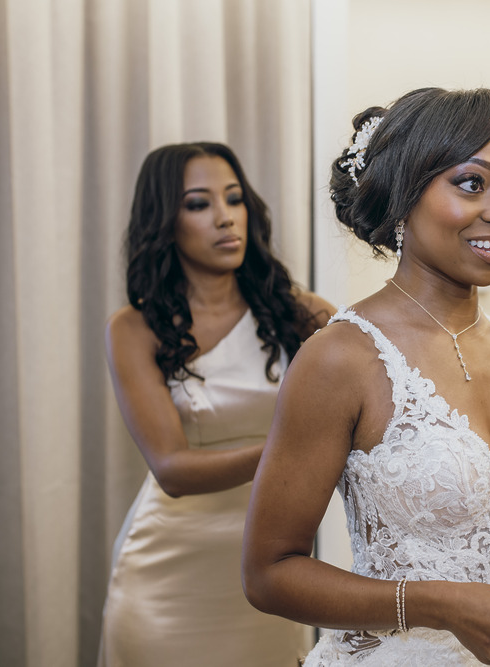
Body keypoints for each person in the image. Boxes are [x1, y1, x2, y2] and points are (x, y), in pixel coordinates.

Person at [242, 87, 490, 667]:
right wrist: (442, 607)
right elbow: (268, 574)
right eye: (472, 183)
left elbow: (483, 521)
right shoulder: (342, 358)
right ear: (402, 195)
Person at [98, 142, 334, 667]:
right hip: (167, 568)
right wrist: (288, 448)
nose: (226, 218)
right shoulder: (134, 329)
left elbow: (383, 377)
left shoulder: (301, 315)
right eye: (199, 204)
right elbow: (172, 470)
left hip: (274, 568)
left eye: (234, 199)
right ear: (165, 221)